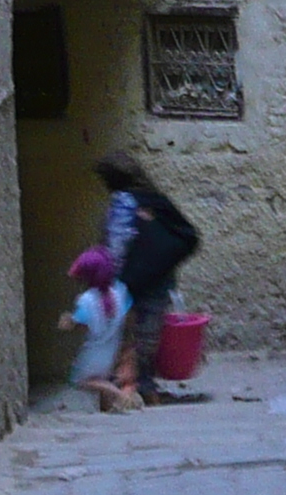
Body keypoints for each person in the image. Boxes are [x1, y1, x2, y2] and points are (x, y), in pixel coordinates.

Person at [93, 151, 199, 403]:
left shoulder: (123, 202)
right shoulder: (158, 201)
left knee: (123, 337)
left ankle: (124, 390)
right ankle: (145, 387)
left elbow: (115, 245)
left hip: (129, 282)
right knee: (148, 337)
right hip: (159, 280)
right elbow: (187, 236)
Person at [59, 246, 137, 413]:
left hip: (93, 352)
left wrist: (68, 320)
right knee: (103, 379)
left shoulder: (87, 300)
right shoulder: (119, 291)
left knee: (80, 380)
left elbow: (78, 324)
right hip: (111, 349)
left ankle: (118, 394)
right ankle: (110, 408)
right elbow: (129, 316)